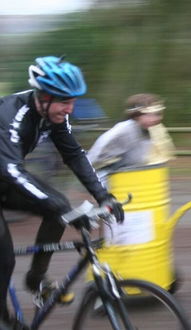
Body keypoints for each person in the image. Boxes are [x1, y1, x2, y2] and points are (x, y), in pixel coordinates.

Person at [0, 56, 124, 327]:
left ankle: (35, 279)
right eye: (64, 102)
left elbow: (74, 154)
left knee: (59, 207)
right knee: (4, 257)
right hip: (6, 173)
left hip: (5, 181)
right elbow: (12, 170)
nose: (70, 109)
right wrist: (61, 207)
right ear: (43, 96)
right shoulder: (12, 115)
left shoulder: (53, 115)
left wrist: (103, 195)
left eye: (73, 101)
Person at [87, 93, 175, 175]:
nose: (154, 119)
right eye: (148, 115)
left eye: (157, 114)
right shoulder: (124, 131)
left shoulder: (153, 130)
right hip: (109, 180)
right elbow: (94, 158)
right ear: (136, 115)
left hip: (136, 180)